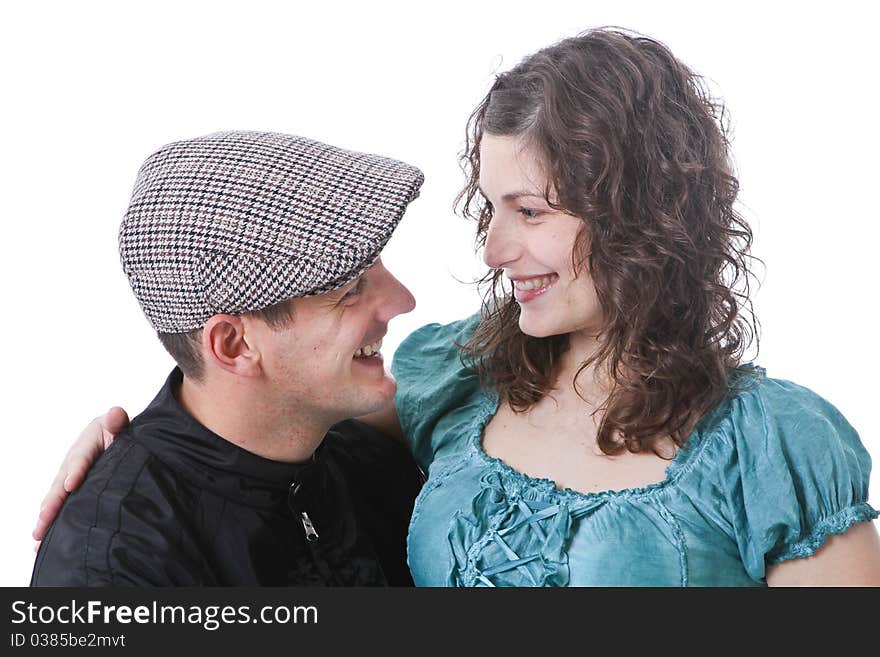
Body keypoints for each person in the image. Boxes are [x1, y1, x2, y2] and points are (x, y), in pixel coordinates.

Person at [35, 29, 880, 586]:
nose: (492, 251)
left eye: (532, 212)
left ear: (643, 218)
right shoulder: (457, 382)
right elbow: (236, 423)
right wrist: (125, 471)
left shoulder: (775, 444)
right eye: (491, 209)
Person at [30, 130, 426, 586]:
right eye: (350, 289)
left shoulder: (365, 456)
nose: (403, 300)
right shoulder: (115, 568)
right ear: (234, 346)